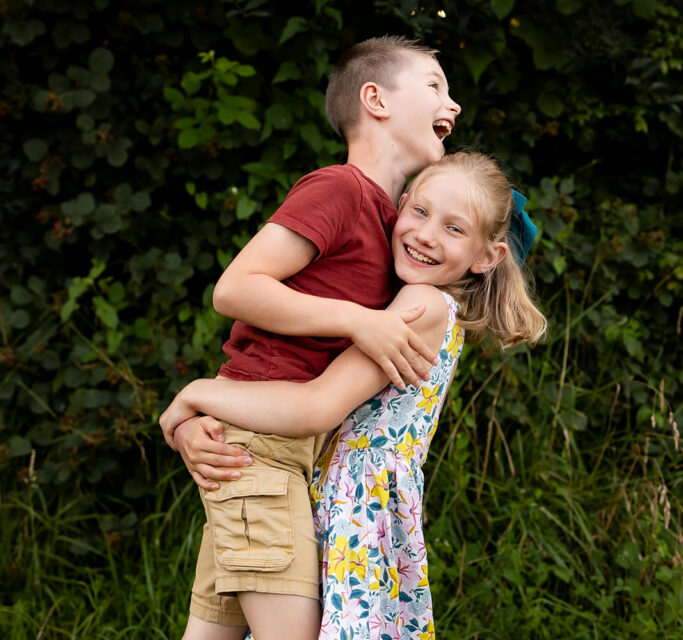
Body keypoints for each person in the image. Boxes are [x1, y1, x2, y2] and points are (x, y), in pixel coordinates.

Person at [161, 152, 547, 639]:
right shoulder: (417, 303)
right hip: (345, 499)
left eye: (454, 229)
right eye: (421, 212)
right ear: (401, 205)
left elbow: (317, 406)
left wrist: (198, 394)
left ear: (487, 256)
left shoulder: (421, 303)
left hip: (356, 506)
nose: (427, 235)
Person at [172, 36, 461, 640]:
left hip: (275, 451)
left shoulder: (397, 227)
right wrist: (356, 319)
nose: (452, 104)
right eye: (435, 85)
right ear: (375, 99)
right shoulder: (339, 189)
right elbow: (236, 288)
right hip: (261, 447)